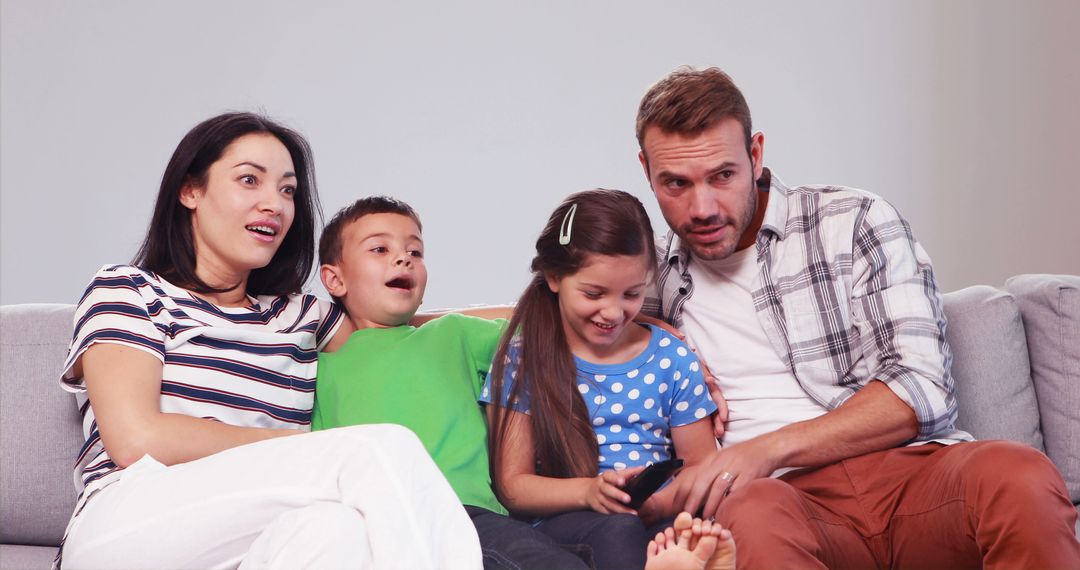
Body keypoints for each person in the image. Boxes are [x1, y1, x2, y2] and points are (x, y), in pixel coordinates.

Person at [636, 66, 1080, 568]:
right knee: (752, 513)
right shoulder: (646, 278)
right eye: (675, 183)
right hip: (783, 502)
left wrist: (764, 450)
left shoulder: (852, 220)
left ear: (755, 154)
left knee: (1017, 472)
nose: (702, 207)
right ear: (646, 172)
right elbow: (553, 312)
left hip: (910, 475)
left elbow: (922, 390)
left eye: (723, 175)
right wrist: (657, 332)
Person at [57, 113, 481, 569]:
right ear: (190, 190)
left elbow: (417, 327)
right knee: (380, 449)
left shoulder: (300, 316)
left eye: (287, 190)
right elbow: (135, 437)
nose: (274, 204)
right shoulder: (130, 289)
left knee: (338, 532)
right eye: (249, 180)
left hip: (254, 536)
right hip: (130, 525)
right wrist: (304, 448)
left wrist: (550, 301)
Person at [311, 195, 592, 570]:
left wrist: (646, 329)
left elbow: (544, 324)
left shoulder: (454, 333)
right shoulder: (319, 371)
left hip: (467, 515)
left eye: (415, 251)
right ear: (335, 279)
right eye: (380, 248)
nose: (403, 258)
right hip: (376, 530)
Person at [482, 189, 723, 570]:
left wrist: (656, 502)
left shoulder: (671, 357)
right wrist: (589, 491)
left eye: (632, 294)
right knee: (620, 531)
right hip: (568, 521)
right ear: (554, 277)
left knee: (691, 533)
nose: (613, 312)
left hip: (657, 512)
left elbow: (700, 464)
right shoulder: (524, 360)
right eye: (594, 293)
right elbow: (514, 486)